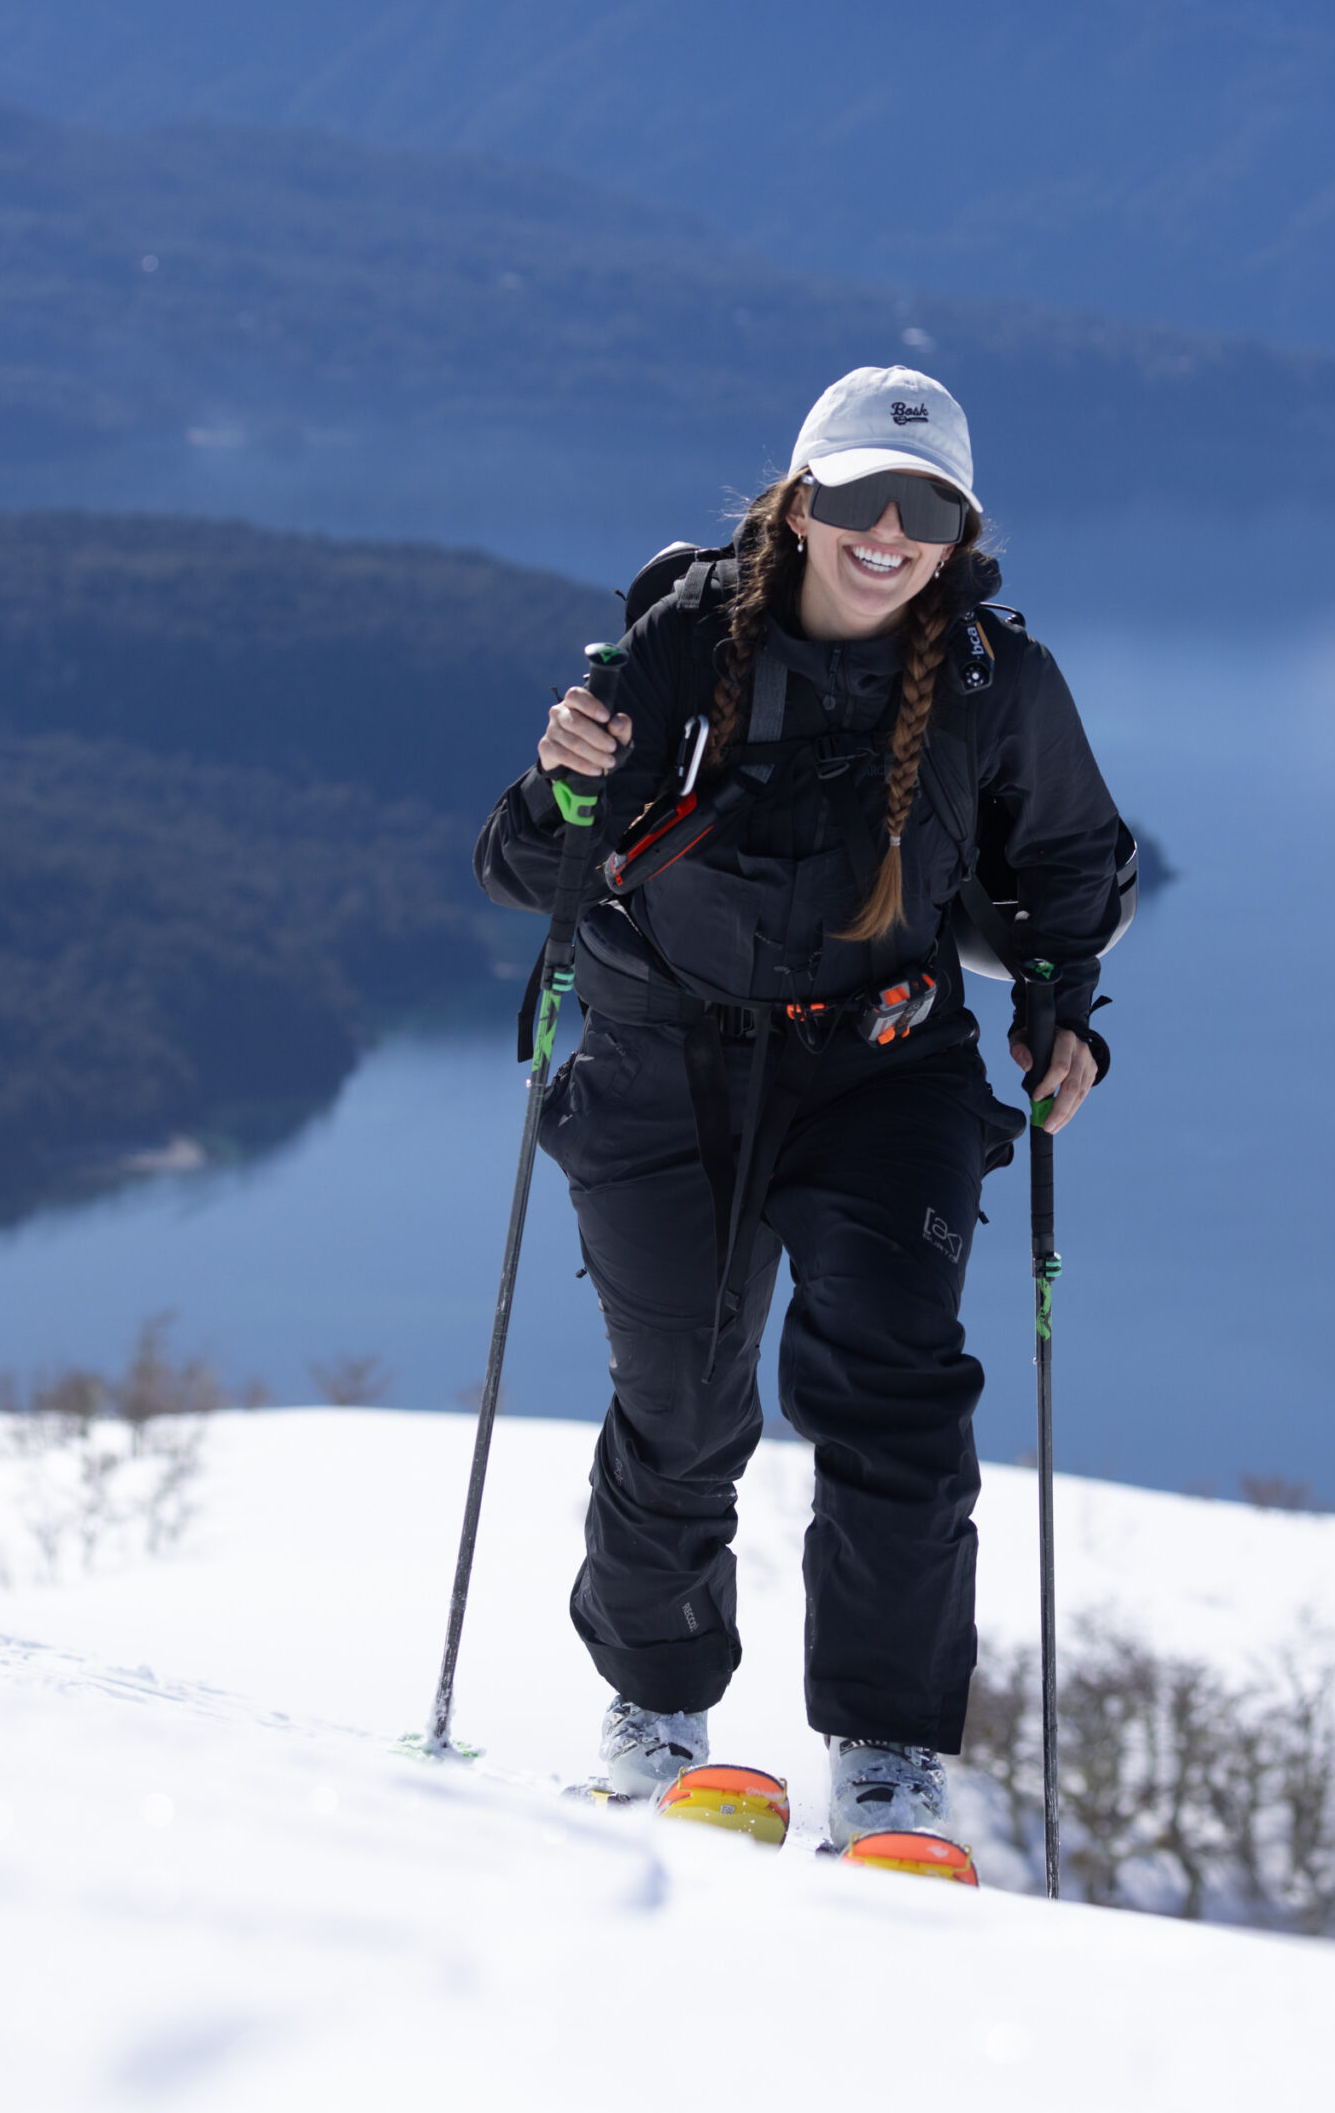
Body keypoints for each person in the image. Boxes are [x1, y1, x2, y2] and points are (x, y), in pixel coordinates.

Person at [474, 365, 1122, 1849]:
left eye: (928, 508)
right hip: (662, 1062)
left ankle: (888, 1764)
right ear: (799, 501)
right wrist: (558, 788)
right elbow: (526, 872)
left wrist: (1062, 1012)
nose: (887, 532)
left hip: (885, 1073)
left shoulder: (993, 682)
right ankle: (659, 1721)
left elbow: (1076, 860)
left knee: (896, 1391)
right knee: (685, 1401)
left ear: (962, 532)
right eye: (856, 497)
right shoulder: (682, 640)